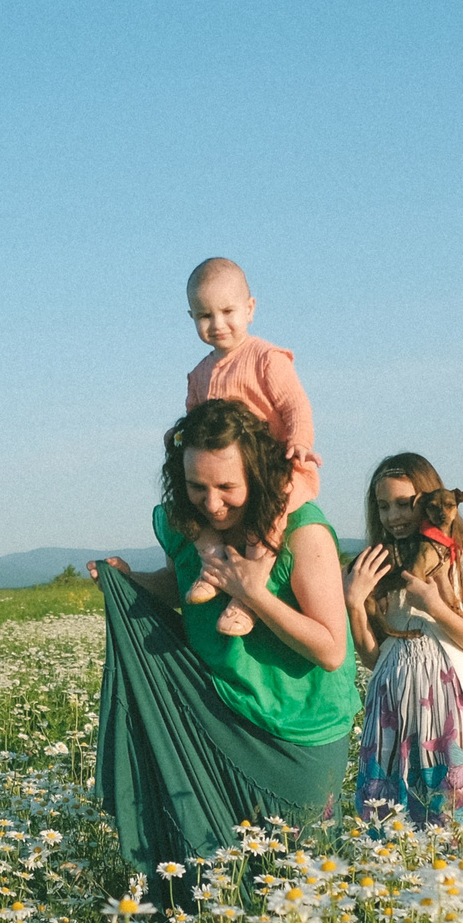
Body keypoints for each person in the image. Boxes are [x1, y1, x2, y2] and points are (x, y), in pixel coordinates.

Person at [90, 398, 356, 870]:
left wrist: (255, 593)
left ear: (256, 473)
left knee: (297, 873)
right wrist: (129, 581)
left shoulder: (303, 532)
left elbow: (332, 650)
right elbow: (180, 583)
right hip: (217, 709)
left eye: (227, 487)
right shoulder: (187, 526)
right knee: (214, 871)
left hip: (302, 731)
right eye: (197, 487)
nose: (212, 504)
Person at [345, 454, 463, 825]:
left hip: (450, 705)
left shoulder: (461, 560)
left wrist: (436, 605)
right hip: (391, 708)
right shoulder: (379, 566)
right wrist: (354, 603)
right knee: (390, 819)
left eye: (404, 504)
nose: (393, 516)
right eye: (383, 507)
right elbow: (371, 658)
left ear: (430, 502)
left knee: (452, 815)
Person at [177, 258, 321, 638]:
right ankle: (213, 569)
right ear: (191, 316)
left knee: (266, 524)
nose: (217, 324)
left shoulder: (265, 359)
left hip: (271, 468)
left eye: (227, 312)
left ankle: (247, 596)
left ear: (250, 310)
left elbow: (295, 405)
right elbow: (194, 422)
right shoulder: (199, 373)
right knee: (186, 515)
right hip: (223, 476)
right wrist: (177, 440)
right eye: (204, 315)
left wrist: (300, 442)